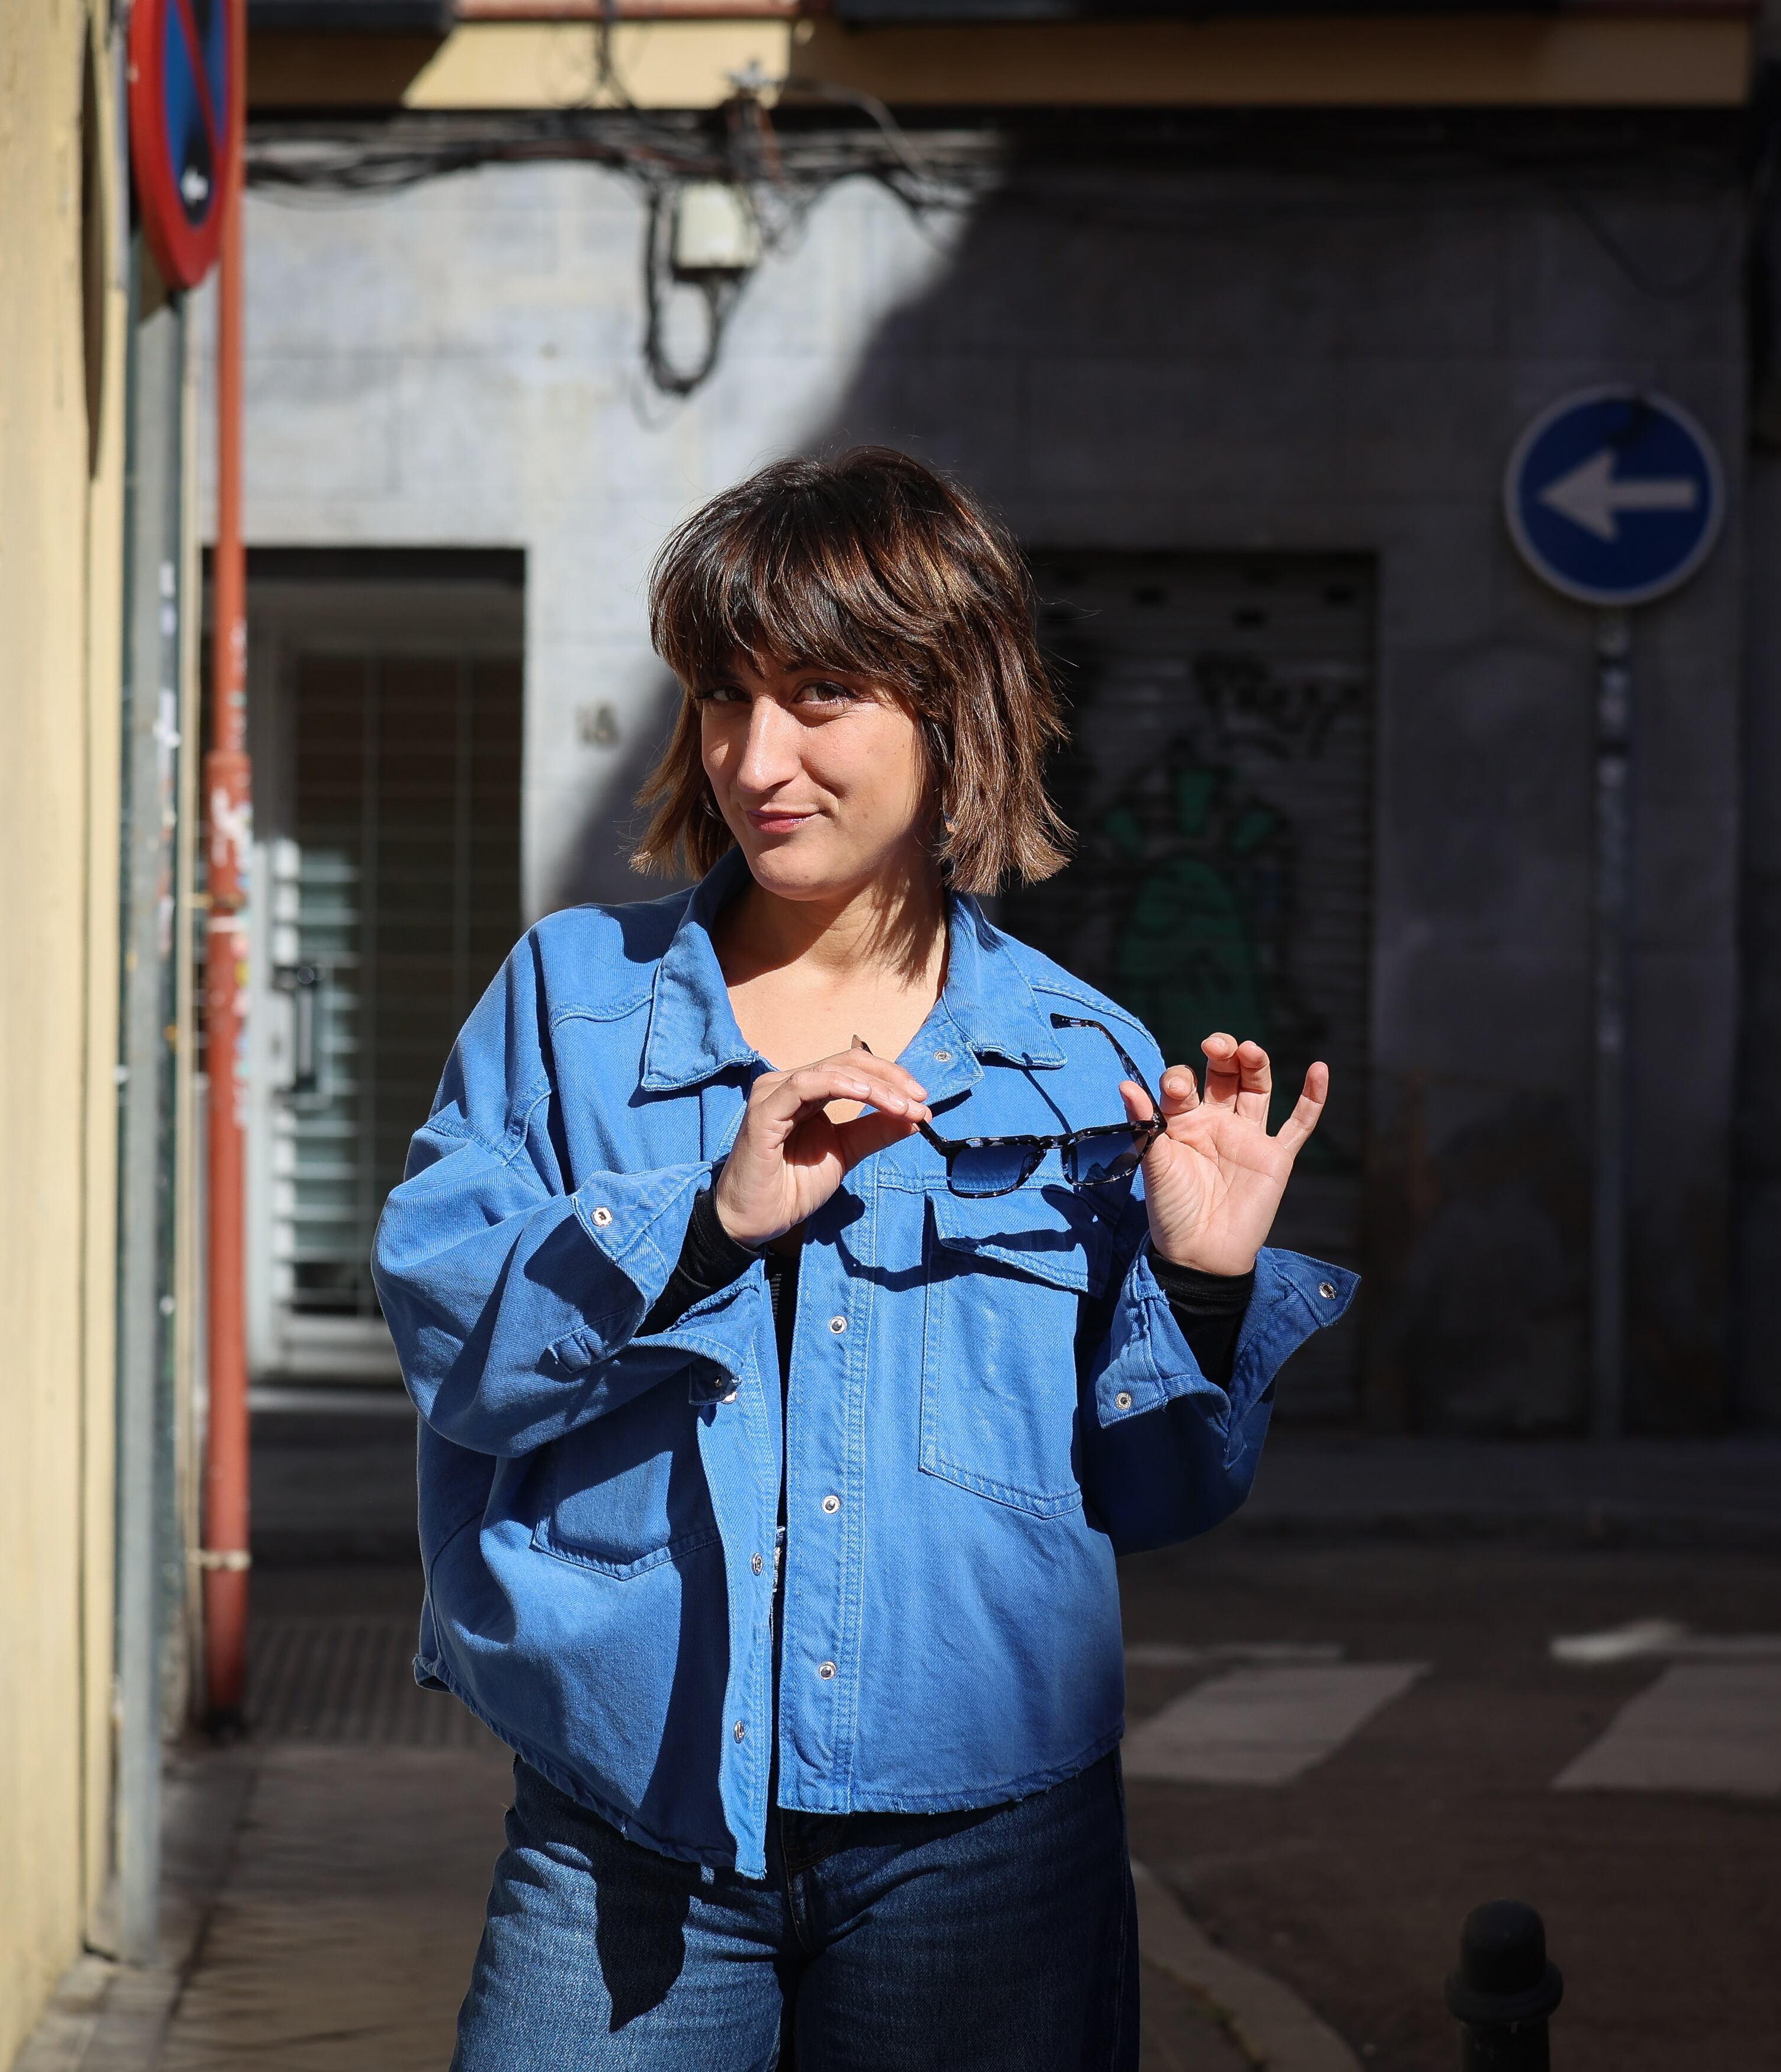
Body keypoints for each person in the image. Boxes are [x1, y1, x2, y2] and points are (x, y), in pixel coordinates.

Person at [374, 447, 1356, 2070]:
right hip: (627, 1835)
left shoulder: (1072, 1054)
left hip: (986, 1853)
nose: (760, 755)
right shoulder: (571, 1000)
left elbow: (1163, 1488)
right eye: (723, 696)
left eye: (822, 693)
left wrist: (1198, 1279)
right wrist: (703, 1217)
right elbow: (450, 1337)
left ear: (949, 706)